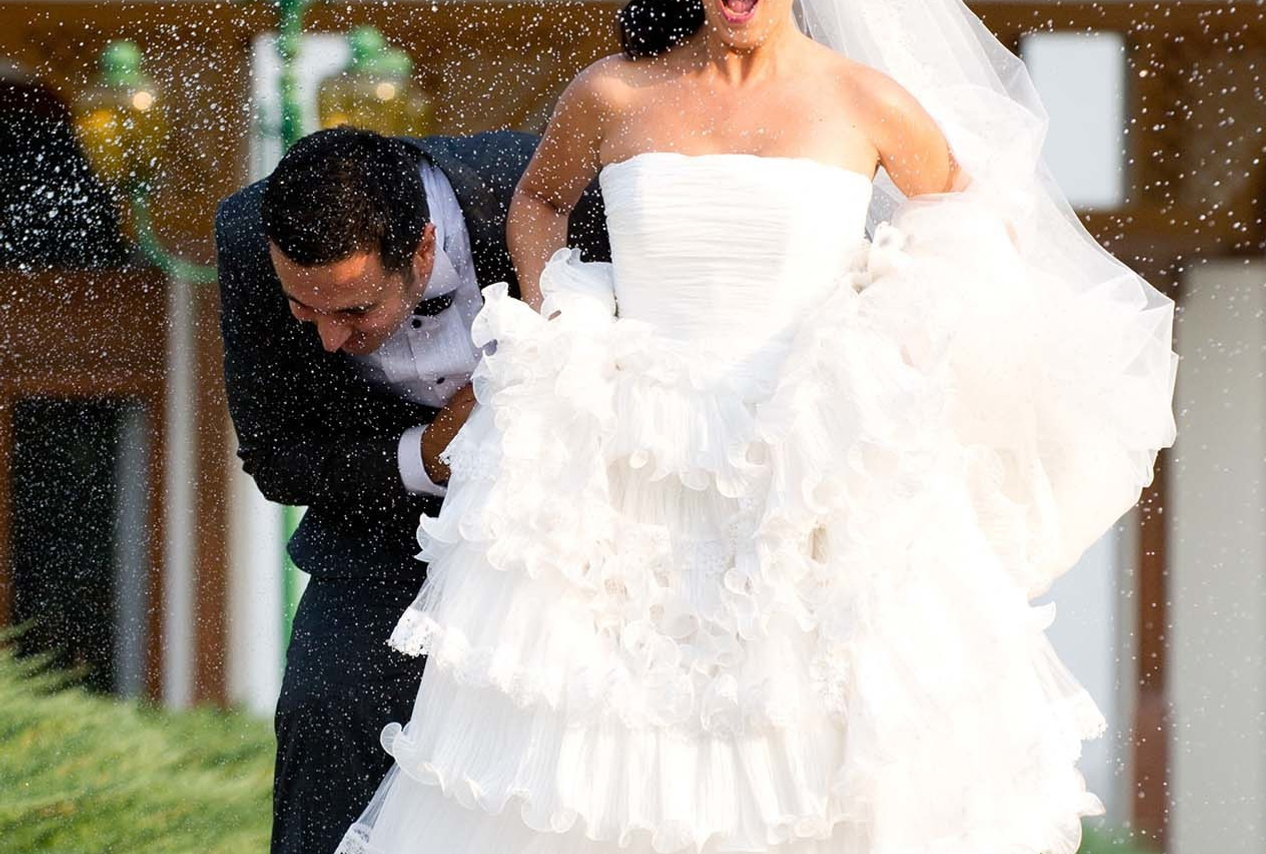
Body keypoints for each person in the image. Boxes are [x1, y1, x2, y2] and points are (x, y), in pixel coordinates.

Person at [336, 0, 1179, 850]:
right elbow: (541, 199)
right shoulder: (615, 92)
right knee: (597, 740)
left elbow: (971, 224)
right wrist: (556, 314)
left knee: (818, 729)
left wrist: (893, 326)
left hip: (809, 467)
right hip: (628, 455)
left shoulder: (867, 99)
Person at [214, 126, 609, 854]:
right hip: (382, 533)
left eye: (355, 311)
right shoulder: (244, 233)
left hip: (579, 524)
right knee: (325, 710)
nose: (329, 338)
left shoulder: (560, 184)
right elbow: (278, 458)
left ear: (424, 250)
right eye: (307, 312)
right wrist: (424, 455)